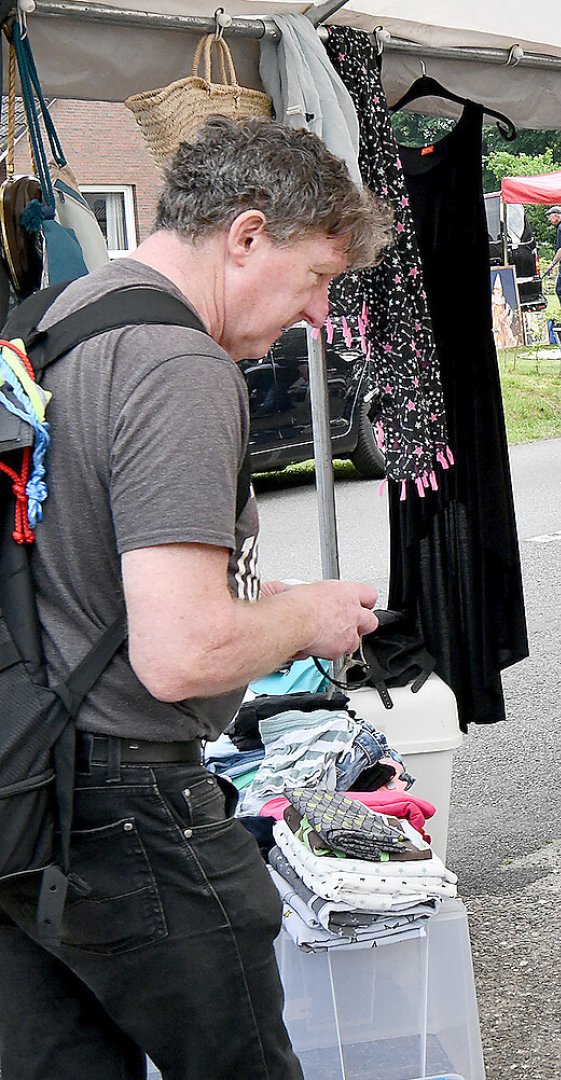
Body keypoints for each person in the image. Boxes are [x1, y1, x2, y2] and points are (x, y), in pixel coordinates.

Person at [0, 116, 389, 1080]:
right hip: (125, 808)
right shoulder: (178, 364)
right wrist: (309, 616)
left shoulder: (50, 322)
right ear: (247, 235)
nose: (316, 315)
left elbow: (80, 575)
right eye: (317, 278)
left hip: (21, 787)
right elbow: (182, 654)